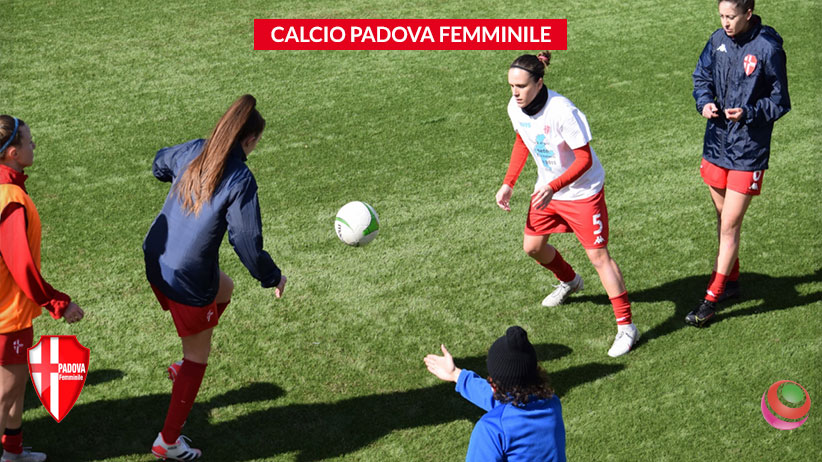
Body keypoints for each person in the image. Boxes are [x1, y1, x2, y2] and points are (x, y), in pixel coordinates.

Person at [143, 95, 287, 460]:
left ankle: (183, 363)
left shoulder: (195, 150)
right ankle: (167, 442)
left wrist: (176, 174)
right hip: (187, 278)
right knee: (198, 358)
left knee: (225, 288)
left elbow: (159, 162)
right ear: (249, 140)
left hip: (156, 258)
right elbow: (246, 242)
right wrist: (272, 277)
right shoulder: (240, 178)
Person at [495, 52, 638, 357]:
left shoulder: (562, 111)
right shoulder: (515, 107)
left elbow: (584, 159)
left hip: (582, 193)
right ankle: (570, 281)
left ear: (539, 83)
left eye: (521, 86)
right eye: (511, 86)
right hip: (548, 190)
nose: (515, 93)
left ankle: (627, 327)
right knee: (533, 247)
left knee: (599, 256)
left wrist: (554, 186)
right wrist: (509, 182)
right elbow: (523, 139)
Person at [687, 0, 790, 327]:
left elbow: (780, 101)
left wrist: (748, 113)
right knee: (722, 219)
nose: (725, 23)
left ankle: (711, 299)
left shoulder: (768, 48)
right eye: (721, 16)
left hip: (748, 150)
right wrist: (704, 102)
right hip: (716, 144)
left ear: (748, 13)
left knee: (730, 224)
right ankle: (731, 280)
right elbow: (701, 76)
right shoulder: (717, 39)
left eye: (731, 17)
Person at [0, 115, 85, 462]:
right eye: (29, 140)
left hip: (12, 312)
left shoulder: (8, 189)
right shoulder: (10, 199)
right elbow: (22, 267)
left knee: (16, 386)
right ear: (13, 153)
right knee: (5, 393)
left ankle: (13, 451)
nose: (34, 145)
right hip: (6, 315)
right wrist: (58, 303)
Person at [424, 326, 566, 461]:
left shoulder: (492, 429)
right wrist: (456, 374)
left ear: (493, 385)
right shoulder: (552, 403)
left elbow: (503, 411)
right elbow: (507, 406)